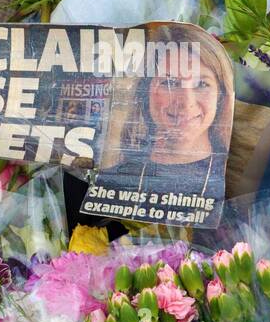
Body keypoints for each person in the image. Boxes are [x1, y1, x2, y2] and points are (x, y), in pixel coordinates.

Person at [96, 24, 234, 200]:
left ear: (221, 96)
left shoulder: (235, 177)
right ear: (145, 90)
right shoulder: (113, 179)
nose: (186, 102)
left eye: (202, 84)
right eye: (170, 83)